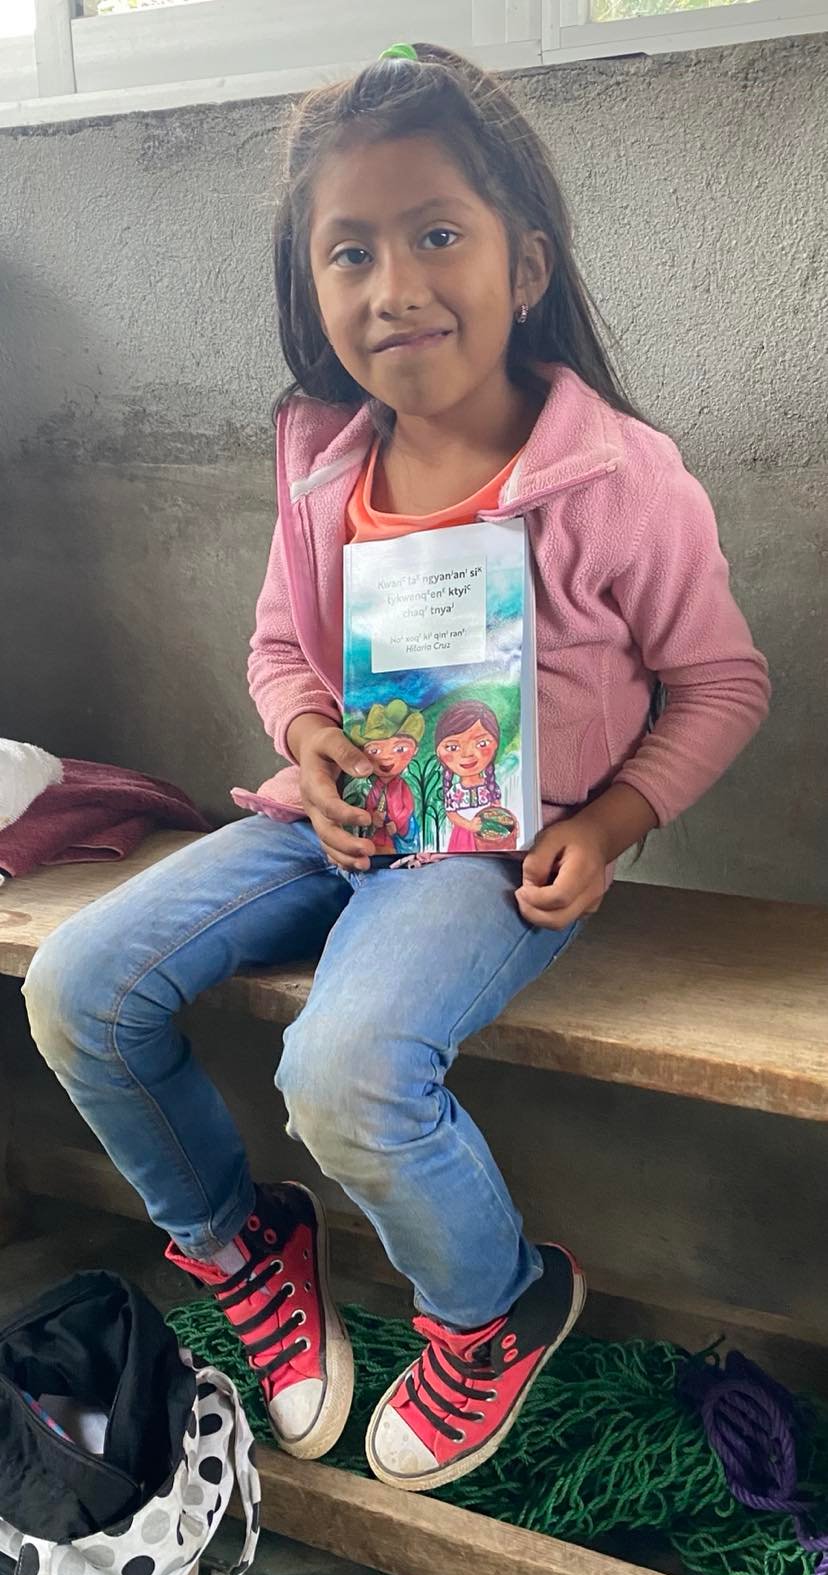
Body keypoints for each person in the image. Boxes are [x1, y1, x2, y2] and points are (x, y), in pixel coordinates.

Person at [23, 42, 770, 1495]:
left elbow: (722, 679)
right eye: (348, 250)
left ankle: (497, 1303)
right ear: (310, 287)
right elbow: (277, 654)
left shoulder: (616, 476)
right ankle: (244, 1243)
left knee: (348, 1067)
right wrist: (308, 739)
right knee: (78, 986)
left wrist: (613, 820)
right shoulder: (318, 457)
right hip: (334, 820)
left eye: (439, 233)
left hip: (501, 854)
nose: (394, 284)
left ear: (527, 261)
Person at [351, 698, 424, 855]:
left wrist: (396, 823)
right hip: (377, 838)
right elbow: (369, 805)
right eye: (374, 751)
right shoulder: (374, 788)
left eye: (400, 749)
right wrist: (373, 816)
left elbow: (408, 807)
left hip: (399, 835)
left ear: (415, 751)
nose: (386, 758)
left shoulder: (402, 786)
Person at [435, 699, 502, 851]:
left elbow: (497, 809)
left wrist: (508, 823)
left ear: (495, 744)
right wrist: (468, 825)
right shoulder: (455, 791)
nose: (467, 754)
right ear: (438, 751)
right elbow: (451, 813)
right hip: (464, 837)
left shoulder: (489, 785)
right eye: (453, 747)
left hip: (488, 835)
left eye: (482, 744)